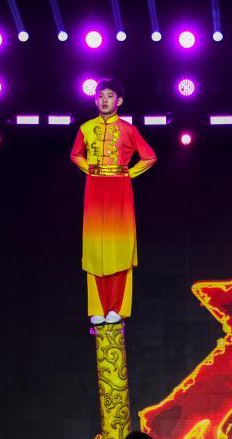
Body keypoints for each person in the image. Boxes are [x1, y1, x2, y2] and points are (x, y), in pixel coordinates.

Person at [70, 78, 156, 325]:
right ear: (95, 100)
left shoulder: (128, 129)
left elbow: (149, 157)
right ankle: (97, 307)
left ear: (119, 101)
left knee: (119, 246)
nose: (104, 100)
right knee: (94, 247)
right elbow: (75, 154)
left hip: (119, 190)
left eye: (109, 96)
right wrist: (90, 169)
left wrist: (128, 173)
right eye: (100, 95)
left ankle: (117, 307)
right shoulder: (86, 128)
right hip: (94, 190)